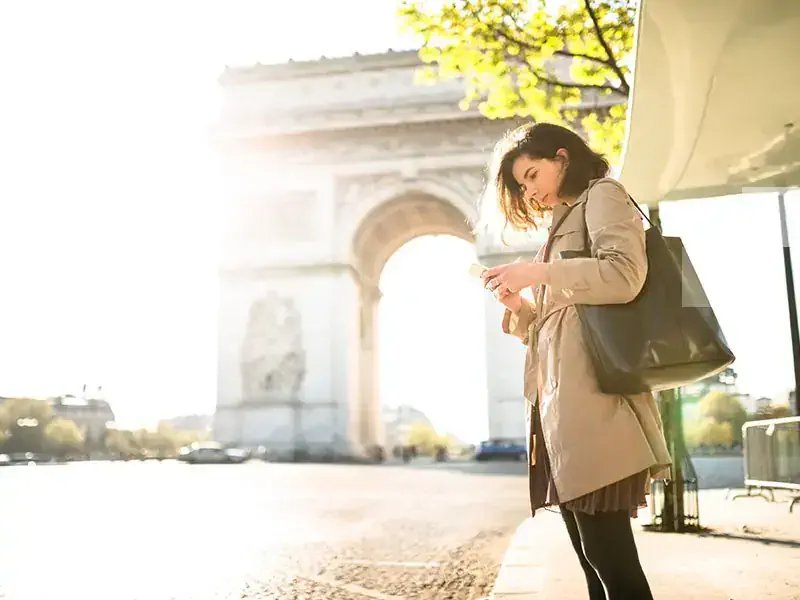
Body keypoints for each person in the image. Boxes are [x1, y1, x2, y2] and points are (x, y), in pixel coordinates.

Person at [480, 122, 672, 600]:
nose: (530, 192)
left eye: (532, 175)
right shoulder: (560, 223)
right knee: (592, 560)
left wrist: (537, 271)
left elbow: (624, 276)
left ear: (562, 157)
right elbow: (557, 323)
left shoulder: (603, 195)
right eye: (522, 185)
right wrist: (520, 306)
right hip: (561, 410)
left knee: (609, 557)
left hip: (596, 404)